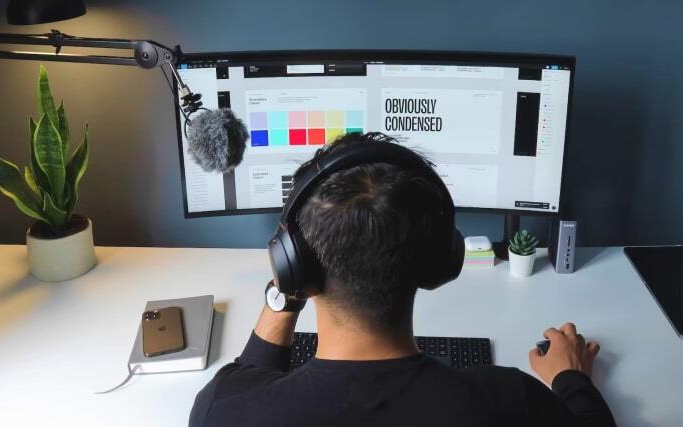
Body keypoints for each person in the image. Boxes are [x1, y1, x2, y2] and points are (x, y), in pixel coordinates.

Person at [189, 132, 616, 427]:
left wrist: (286, 292)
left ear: (293, 264)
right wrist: (571, 378)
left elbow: (248, 377)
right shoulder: (510, 401)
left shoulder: (223, 410)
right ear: (440, 261)